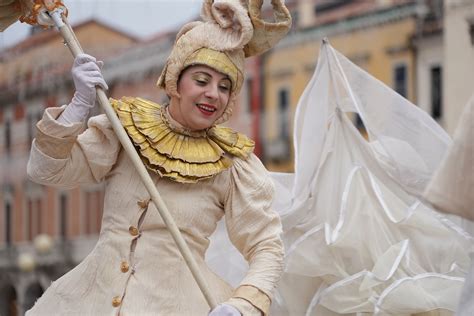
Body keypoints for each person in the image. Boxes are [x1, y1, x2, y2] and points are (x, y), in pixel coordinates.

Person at [26, 0, 292, 315]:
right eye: (202, 81)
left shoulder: (232, 163)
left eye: (225, 87)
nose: (213, 94)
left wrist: (244, 304)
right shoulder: (127, 129)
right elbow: (46, 171)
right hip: (87, 301)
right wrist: (79, 105)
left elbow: (266, 246)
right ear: (175, 80)